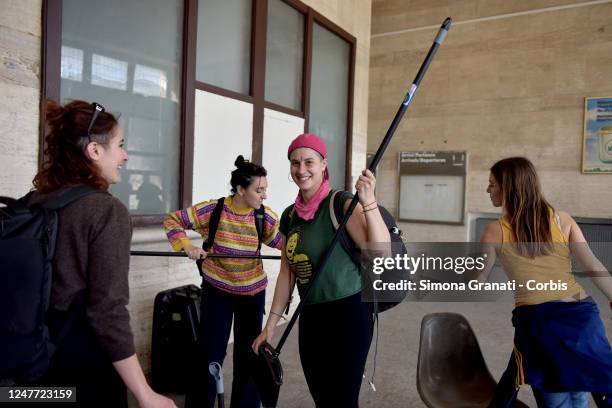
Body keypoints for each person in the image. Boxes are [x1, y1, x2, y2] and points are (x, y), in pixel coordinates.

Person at [30, 100, 176, 407]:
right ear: (94, 151)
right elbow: (107, 311)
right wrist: (144, 393)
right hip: (82, 366)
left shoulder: (34, 201)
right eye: (120, 145)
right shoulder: (105, 211)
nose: (125, 156)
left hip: (30, 361)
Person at [252, 133, 391, 407]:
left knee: (341, 399)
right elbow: (286, 274)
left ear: (323, 163)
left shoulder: (340, 203)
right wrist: (270, 326)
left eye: (308, 162)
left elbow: (380, 254)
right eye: (295, 163)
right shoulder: (290, 215)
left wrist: (368, 201)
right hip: (311, 316)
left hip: (348, 314)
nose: (301, 170)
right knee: (322, 397)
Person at [474, 157, 612, 408]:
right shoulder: (562, 219)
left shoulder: (494, 231)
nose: (488, 190)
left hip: (542, 324)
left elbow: (478, 279)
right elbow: (592, 265)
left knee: (557, 399)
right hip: (583, 317)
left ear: (508, 188)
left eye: (492, 184)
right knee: (579, 392)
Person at [163, 156, 282, 408]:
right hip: (217, 291)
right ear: (240, 190)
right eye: (259, 190)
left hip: (252, 293)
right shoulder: (213, 211)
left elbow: (286, 242)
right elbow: (172, 220)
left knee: (249, 353)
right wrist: (187, 245)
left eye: (265, 190)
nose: (264, 196)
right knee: (209, 353)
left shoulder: (264, 218)